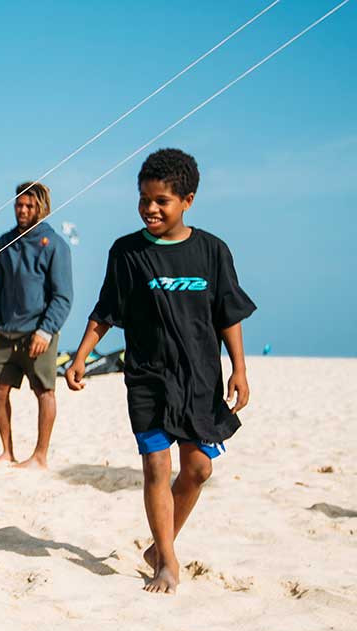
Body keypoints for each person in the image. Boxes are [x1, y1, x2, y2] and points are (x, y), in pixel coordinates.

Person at [65, 148, 255, 594]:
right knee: (155, 466)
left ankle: (158, 545)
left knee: (198, 470)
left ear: (187, 200)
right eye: (144, 199)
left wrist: (239, 369)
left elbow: (228, 313)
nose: (150, 209)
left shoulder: (212, 251)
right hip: (148, 377)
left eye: (161, 201)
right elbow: (107, 310)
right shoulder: (127, 252)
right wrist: (80, 356)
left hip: (200, 378)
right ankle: (167, 561)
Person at [0, 182, 73, 469]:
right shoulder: (4, 242)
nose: (23, 209)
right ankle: (7, 451)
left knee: (44, 391)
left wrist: (46, 331)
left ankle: (40, 456)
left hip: (40, 332)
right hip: (7, 330)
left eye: (29, 205)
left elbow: (63, 296)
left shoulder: (55, 244)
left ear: (41, 208)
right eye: (19, 204)